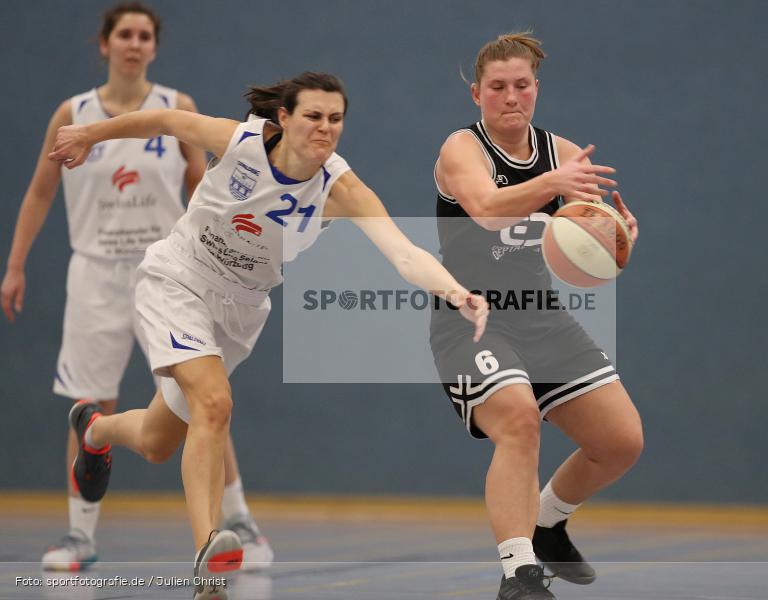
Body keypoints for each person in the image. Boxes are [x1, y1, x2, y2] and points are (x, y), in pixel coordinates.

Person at [49, 72, 488, 599]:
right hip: (179, 279)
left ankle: (94, 431)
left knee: (159, 441)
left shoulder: (340, 188)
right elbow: (164, 120)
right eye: (313, 116)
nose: (325, 128)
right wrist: (90, 134)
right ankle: (207, 559)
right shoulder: (240, 142)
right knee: (213, 403)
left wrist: (456, 291)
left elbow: (404, 252)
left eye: (335, 119)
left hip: (240, 310)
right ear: (284, 117)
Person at [0, 2, 273, 573]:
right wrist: (17, 264)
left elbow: (206, 185)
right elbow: (40, 191)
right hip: (96, 270)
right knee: (91, 398)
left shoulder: (177, 107)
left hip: (170, 271)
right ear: (104, 43)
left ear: (154, 46)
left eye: (144, 35)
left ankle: (239, 519)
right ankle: (79, 535)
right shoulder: (72, 113)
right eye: (123, 33)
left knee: (204, 395)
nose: (133, 43)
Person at [430, 32, 644, 599]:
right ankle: (518, 572)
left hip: (541, 316)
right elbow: (487, 207)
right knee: (519, 418)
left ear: (536, 90)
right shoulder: (462, 149)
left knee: (621, 441)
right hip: (472, 316)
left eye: (521, 85)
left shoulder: (562, 152)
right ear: (477, 93)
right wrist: (553, 184)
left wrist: (619, 235)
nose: (510, 97)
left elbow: (597, 221)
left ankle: (547, 523)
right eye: (497, 87)